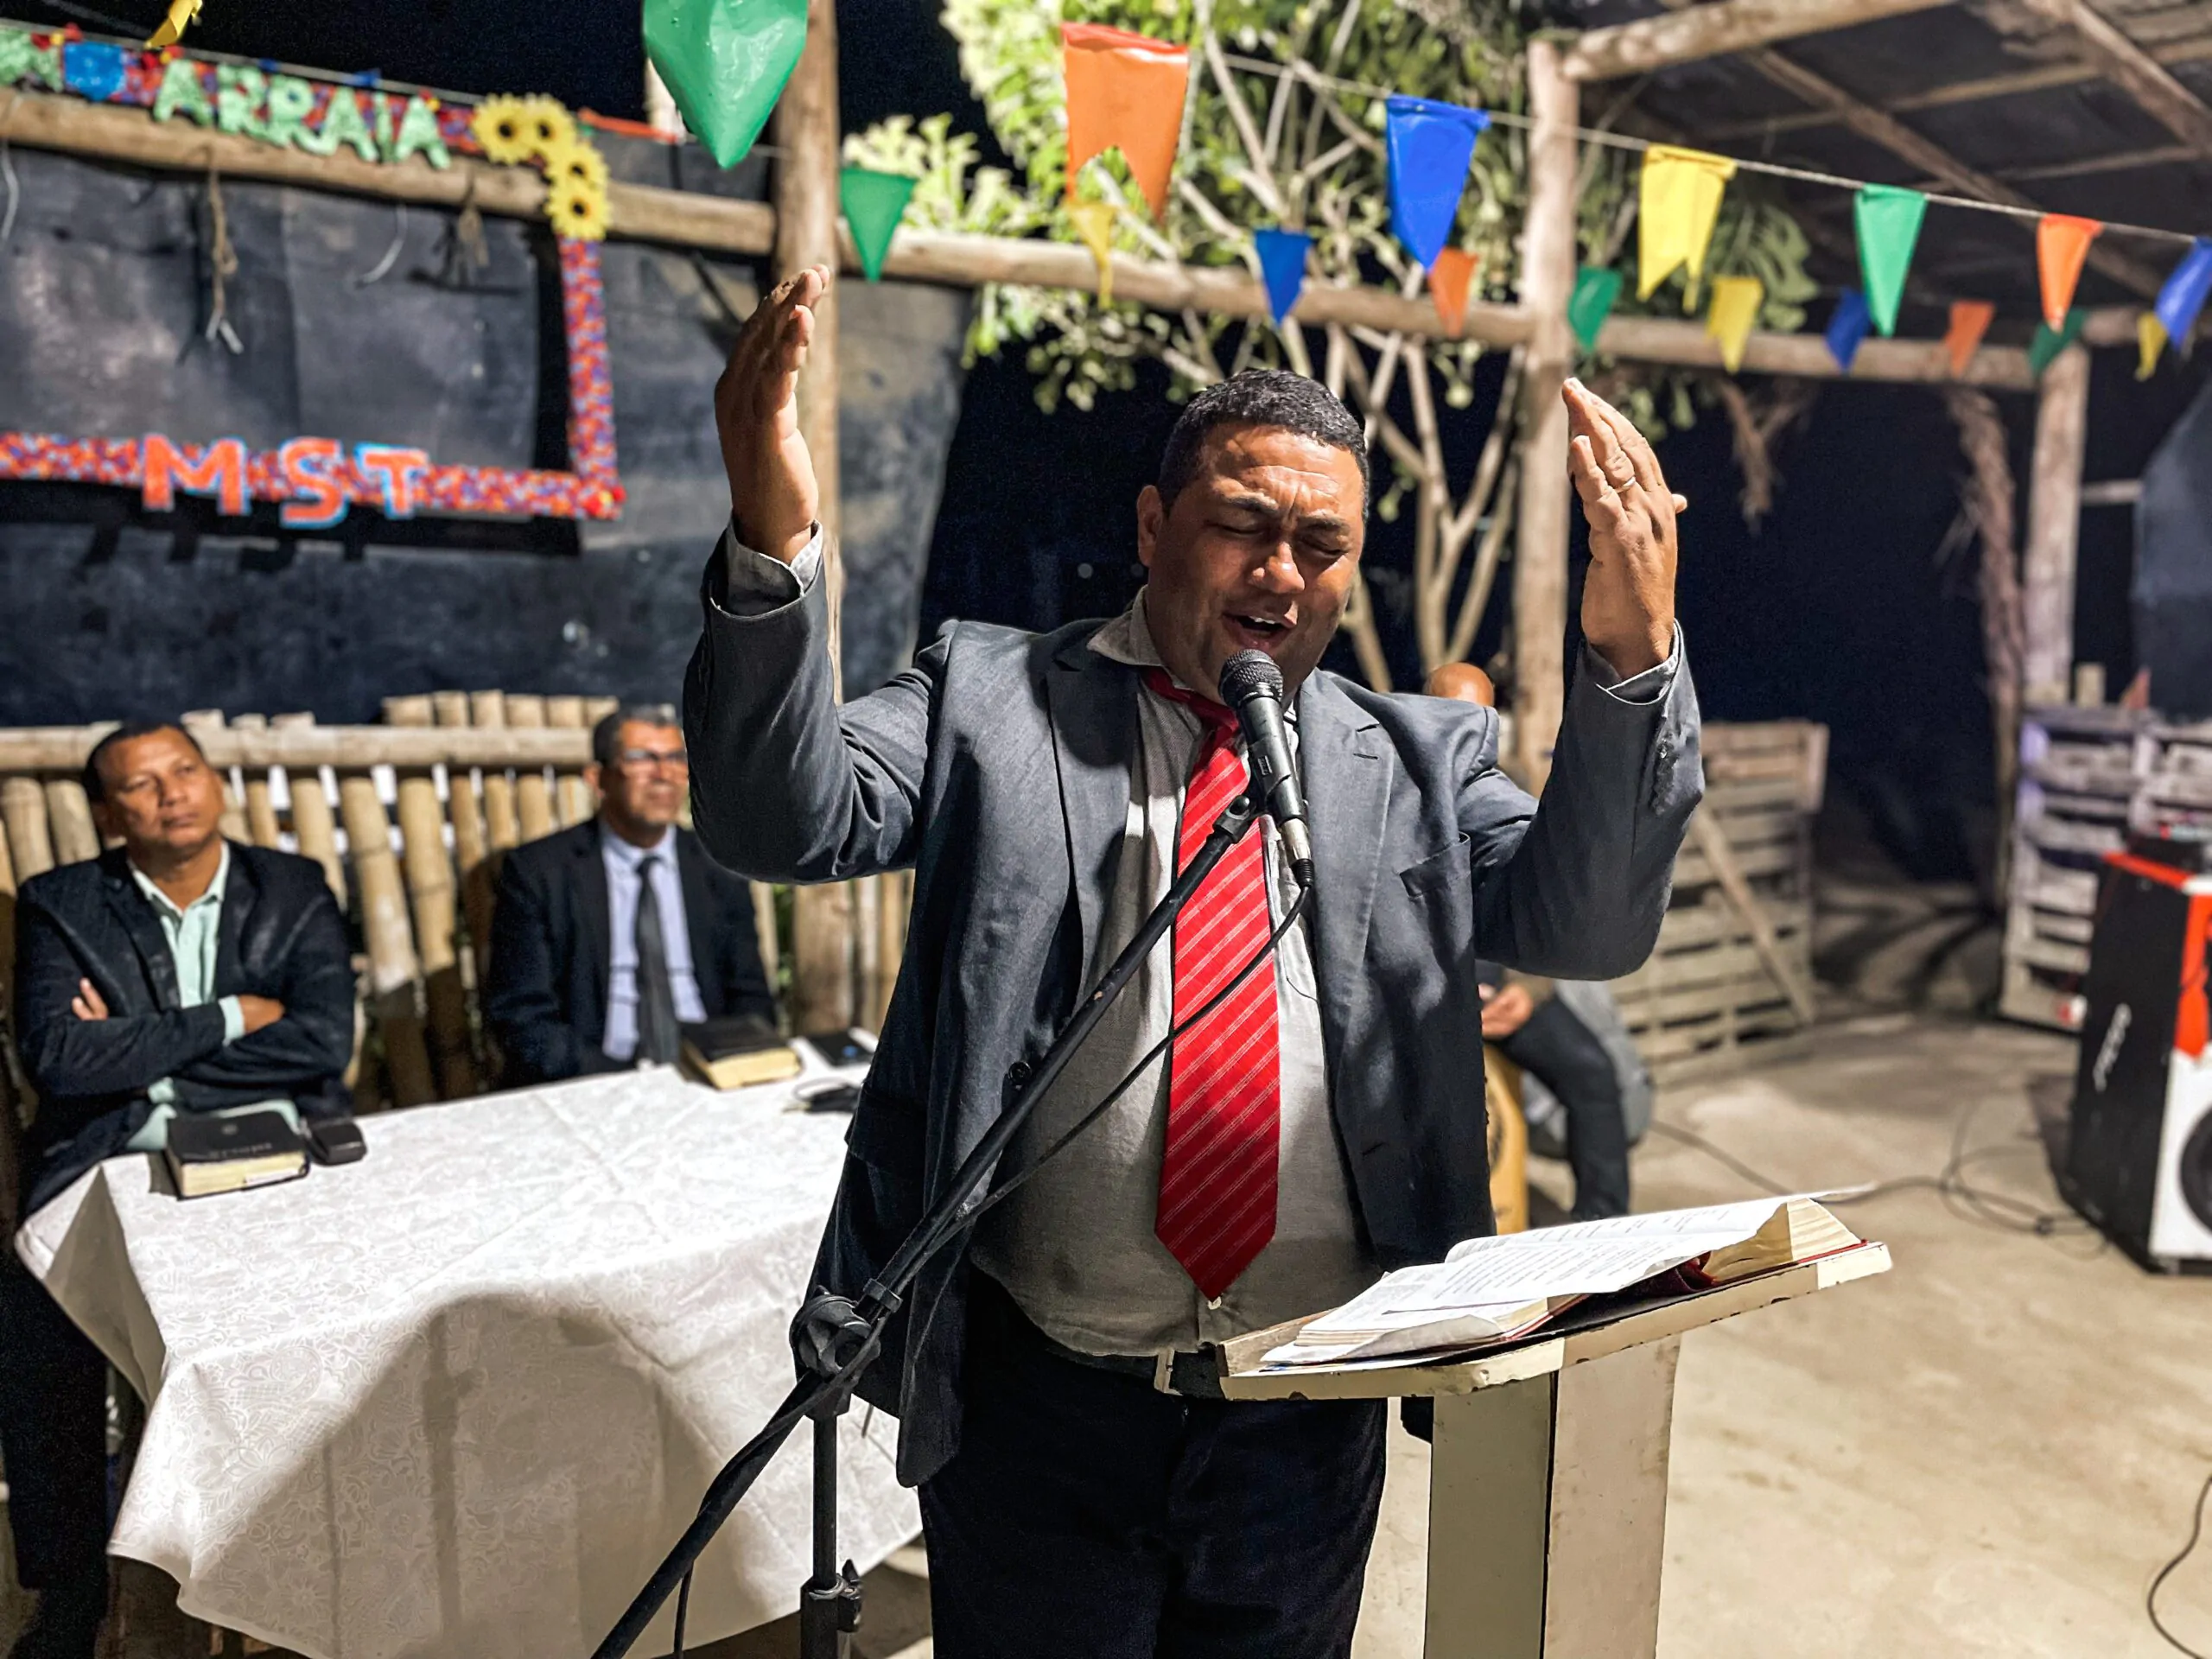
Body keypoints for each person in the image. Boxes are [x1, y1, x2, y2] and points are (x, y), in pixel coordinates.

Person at [686, 264, 1703, 1657]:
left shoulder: (1417, 758)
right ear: (1155, 525)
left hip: (1307, 1407)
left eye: (1322, 543)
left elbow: (1586, 927)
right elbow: (779, 822)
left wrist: (1635, 652)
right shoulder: (990, 699)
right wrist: (772, 544)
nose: (1282, 571)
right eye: (1242, 525)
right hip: (1043, 1405)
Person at [3, 720, 355, 1659]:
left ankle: (314, 1550)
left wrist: (139, 1047)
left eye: (185, 770)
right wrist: (233, 1015)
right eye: (142, 784)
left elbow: (324, 1040)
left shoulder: (292, 887)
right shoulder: (62, 904)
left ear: (215, 781)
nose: (171, 793)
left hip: (277, 1149)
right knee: (37, 1323)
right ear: (107, 814)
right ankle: (70, 1589)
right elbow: (58, 1059)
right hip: (113, 1156)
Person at [1425, 661, 1652, 1222]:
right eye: (1450, 717)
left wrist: (1528, 991)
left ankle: (1602, 1225)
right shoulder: (1394, 791)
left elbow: (1533, 899)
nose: (1466, 732)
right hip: (1427, 993)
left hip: (1499, 984)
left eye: (1479, 718)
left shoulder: (1502, 793)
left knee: (1593, 1072)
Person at [482, 703, 776, 1086]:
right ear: (598, 778)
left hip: (708, 1072)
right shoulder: (540, 872)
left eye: (675, 759)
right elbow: (521, 1015)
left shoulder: (717, 867)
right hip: (591, 1078)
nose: (663, 775)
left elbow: (750, 995)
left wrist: (732, 1063)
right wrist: (623, 1082)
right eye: (641, 758)